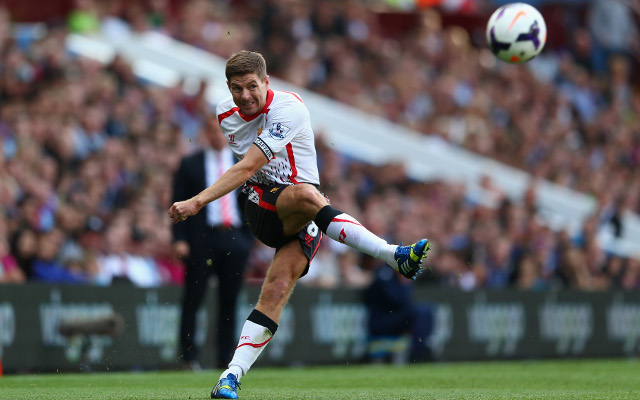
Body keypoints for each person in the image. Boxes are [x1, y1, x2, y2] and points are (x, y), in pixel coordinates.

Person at [168, 50, 431, 399]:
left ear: (266, 83)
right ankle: (393, 254)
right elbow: (249, 171)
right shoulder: (225, 114)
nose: (244, 96)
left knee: (276, 289)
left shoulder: (289, 109)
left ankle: (230, 377)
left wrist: (196, 201)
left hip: (303, 213)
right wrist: (197, 202)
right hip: (262, 204)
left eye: (251, 87)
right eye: (236, 88)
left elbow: (247, 164)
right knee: (306, 196)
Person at [172, 118, 253, 371]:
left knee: (229, 301)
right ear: (205, 133)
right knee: (193, 298)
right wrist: (179, 239)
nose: (218, 136)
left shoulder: (242, 163)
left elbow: (252, 201)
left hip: (234, 237)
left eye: (222, 131)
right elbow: (178, 200)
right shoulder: (190, 163)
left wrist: (248, 239)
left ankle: (225, 357)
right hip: (202, 238)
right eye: (213, 131)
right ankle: (188, 357)